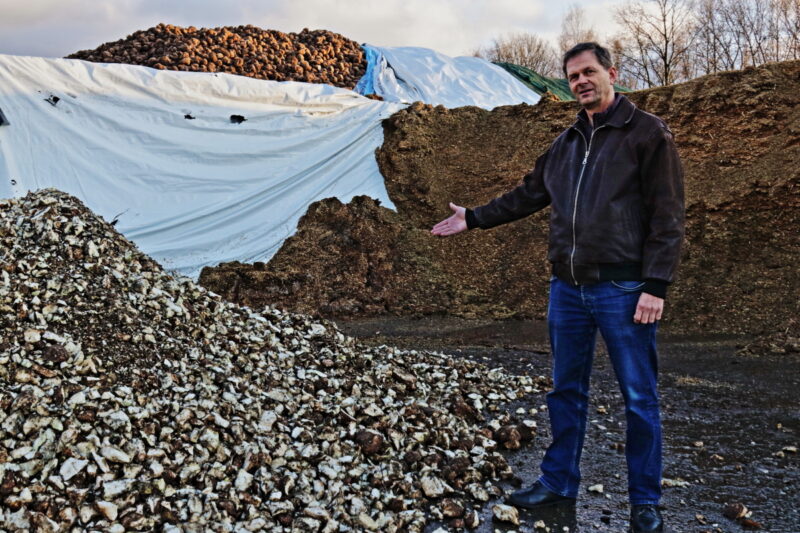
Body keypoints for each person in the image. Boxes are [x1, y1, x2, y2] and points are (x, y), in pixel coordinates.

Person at [430, 42, 684, 533]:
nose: (581, 82)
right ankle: (558, 482)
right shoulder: (566, 143)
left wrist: (656, 284)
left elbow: (668, 216)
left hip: (624, 288)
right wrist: (475, 218)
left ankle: (644, 502)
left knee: (639, 396)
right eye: (572, 77)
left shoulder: (648, 134)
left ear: (612, 73)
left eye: (589, 72)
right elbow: (529, 195)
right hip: (567, 290)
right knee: (566, 390)